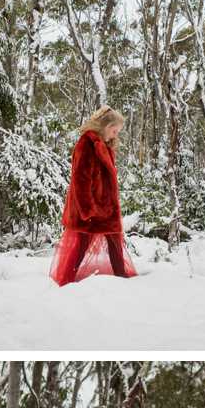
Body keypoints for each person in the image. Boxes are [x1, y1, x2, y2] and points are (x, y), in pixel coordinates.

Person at [50, 107, 138, 286]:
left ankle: (123, 282)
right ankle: (66, 283)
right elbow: (80, 180)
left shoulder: (105, 146)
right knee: (81, 245)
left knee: (115, 245)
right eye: (114, 131)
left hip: (106, 208)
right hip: (90, 208)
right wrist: (87, 209)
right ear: (105, 126)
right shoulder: (87, 144)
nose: (115, 135)